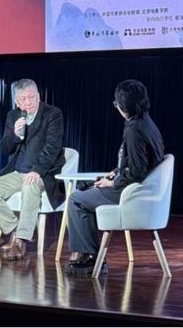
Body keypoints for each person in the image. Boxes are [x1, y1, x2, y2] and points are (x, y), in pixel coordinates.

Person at [65, 80, 165, 276]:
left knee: (76, 199)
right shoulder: (146, 123)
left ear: (123, 105)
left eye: (116, 103)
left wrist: (112, 182)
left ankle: (91, 257)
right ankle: (87, 254)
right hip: (138, 189)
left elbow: (137, 173)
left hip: (131, 193)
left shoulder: (135, 130)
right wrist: (116, 171)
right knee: (86, 191)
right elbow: (139, 162)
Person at [0, 79, 65, 260]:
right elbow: (5, 149)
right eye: (23, 99)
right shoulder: (13, 116)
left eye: (31, 98)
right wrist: (15, 135)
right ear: (17, 102)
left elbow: (52, 147)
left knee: (30, 185)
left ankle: (20, 241)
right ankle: (14, 230)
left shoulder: (53, 114)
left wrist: (37, 170)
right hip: (19, 172)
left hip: (44, 173)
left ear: (38, 96)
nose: (28, 103)